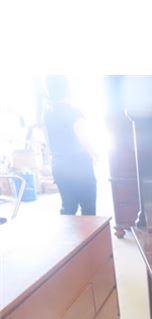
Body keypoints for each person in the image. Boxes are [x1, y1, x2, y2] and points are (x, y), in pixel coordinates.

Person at [43, 76, 97, 215]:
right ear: (67, 89)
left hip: (59, 165)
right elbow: (83, 137)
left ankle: (69, 237)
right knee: (88, 209)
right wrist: (94, 153)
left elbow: (48, 140)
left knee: (68, 208)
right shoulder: (73, 112)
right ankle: (89, 237)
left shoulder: (47, 113)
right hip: (79, 165)